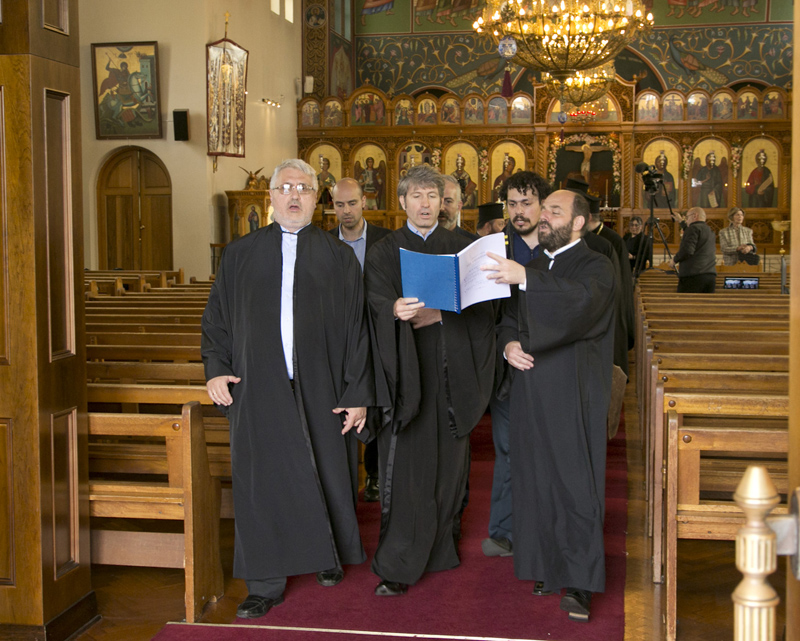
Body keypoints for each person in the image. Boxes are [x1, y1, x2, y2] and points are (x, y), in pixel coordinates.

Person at [201, 159, 376, 619]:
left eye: (303, 188)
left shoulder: (338, 256)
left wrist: (357, 392)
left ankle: (327, 556)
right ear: (272, 198)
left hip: (323, 382)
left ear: (316, 199)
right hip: (257, 383)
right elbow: (216, 319)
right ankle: (265, 580)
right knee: (263, 482)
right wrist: (216, 369)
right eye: (285, 188)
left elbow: (360, 329)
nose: (294, 195)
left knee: (328, 470)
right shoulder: (239, 254)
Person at [482, 189, 616, 622]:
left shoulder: (597, 264)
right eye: (546, 211)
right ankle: (544, 565)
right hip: (530, 389)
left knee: (575, 484)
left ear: (578, 222)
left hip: (574, 392)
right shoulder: (535, 265)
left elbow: (581, 304)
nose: (544, 218)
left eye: (554, 212)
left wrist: (526, 279)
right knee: (535, 478)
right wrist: (509, 346)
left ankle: (579, 581)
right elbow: (507, 319)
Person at [364, 165, 495, 596]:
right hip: (407, 379)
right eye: (416, 196)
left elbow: (487, 311)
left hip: (453, 378)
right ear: (402, 202)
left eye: (432, 197)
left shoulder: (465, 247)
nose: (425, 204)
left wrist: (443, 312)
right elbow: (371, 302)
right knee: (406, 473)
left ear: (445, 202)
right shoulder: (384, 251)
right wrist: (393, 311)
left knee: (448, 470)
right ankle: (399, 562)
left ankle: (441, 549)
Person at [482, 171, 553, 559]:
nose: (519, 211)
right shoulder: (493, 246)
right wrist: (504, 343)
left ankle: (543, 526)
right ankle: (503, 531)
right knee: (507, 450)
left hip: (552, 367)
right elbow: (486, 314)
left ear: (542, 204)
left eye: (527, 202)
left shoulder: (559, 244)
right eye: (512, 203)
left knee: (546, 450)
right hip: (506, 368)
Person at [329, 177, 392, 501]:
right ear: (332, 206)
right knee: (345, 403)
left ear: (364, 202)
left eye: (352, 203)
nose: (347, 211)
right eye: (340, 205)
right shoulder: (325, 243)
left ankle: (377, 475)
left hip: (381, 334)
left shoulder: (386, 240)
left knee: (378, 402)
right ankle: (342, 478)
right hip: (341, 338)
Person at [668, 206, 717, 292]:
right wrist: (681, 221)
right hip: (710, 276)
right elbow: (693, 233)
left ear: (695, 216)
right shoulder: (710, 230)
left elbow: (687, 250)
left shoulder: (693, 228)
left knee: (686, 304)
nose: (686, 220)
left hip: (693, 276)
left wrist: (674, 260)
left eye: (687, 217)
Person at [439, 174, 479, 240]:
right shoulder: (418, 243)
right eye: (438, 201)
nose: (441, 208)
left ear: (459, 206)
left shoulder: (473, 243)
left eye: (448, 201)